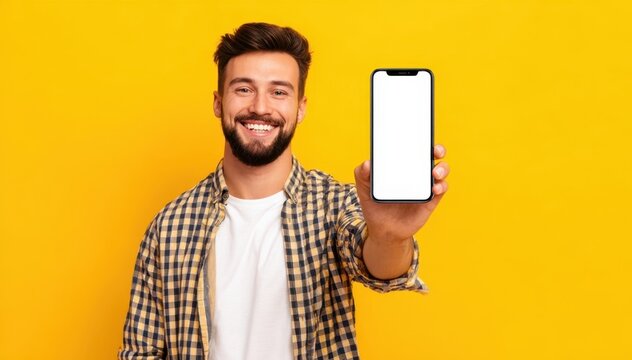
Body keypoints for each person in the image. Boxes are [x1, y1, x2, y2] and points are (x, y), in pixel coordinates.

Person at [118, 22, 449, 360]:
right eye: (244, 89)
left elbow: (379, 268)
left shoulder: (333, 205)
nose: (261, 107)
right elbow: (140, 352)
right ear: (218, 102)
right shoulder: (171, 225)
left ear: (300, 107)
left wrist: (390, 237)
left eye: (279, 92)